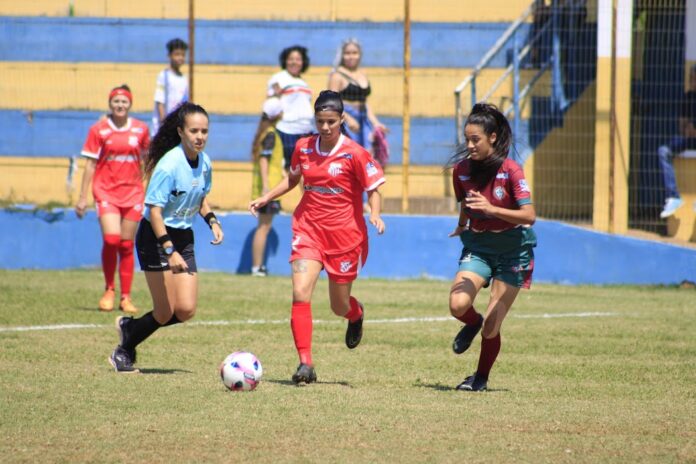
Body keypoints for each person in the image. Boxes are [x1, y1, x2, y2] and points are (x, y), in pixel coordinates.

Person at [249, 90, 386, 384]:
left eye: (331, 122)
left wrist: (374, 213)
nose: (325, 128)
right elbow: (293, 177)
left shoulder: (355, 154)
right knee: (300, 292)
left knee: (339, 305)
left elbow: (374, 188)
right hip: (308, 229)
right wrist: (266, 196)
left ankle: (355, 314)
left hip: (345, 236)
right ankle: (305, 364)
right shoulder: (304, 147)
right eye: (320, 121)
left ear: (341, 120)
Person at [108, 102, 224, 373]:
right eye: (194, 130)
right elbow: (155, 213)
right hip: (155, 237)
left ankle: (130, 327)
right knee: (163, 311)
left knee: (185, 310)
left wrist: (212, 221)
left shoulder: (205, 163)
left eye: (204, 131)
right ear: (181, 131)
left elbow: (200, 197)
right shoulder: (168, 165)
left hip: (183, 236)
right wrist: (169, 249)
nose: (200, 136)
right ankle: (123, 350)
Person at [447, 102, 537, 392]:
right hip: (480, 245)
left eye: (476, 140)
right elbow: (465, 202)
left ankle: (480, 378)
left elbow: (529, 216)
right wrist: (462, 224)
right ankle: (471, 323)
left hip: (513, 250)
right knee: (458, 305)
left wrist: (492, 209)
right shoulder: (460, 170)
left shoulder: (511, 170)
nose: (470, 145)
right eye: (467, 140)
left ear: (493, 138)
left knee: (493, 326)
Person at [76, 85, 150, 314]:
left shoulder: (141, 129)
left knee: (127, 244)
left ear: (130, 104)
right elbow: (89, 164)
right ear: (110, 104)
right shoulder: (98, 130)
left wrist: (149, 189)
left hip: (133, 192)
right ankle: (109, 290)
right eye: (116, 101)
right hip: (106, 191)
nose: (120, 105)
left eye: (124, 101)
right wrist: (82, 196)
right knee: (111, 240)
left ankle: (125, 297)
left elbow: (148, 161)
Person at [327, 38, 388, 164]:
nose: (351, 56)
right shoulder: (337, 75)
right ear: (342, 55)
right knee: (348, 157)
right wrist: (348, 119)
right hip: (345, 118)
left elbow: (364, 102)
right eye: (347, 53)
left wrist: (376, 122)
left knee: (367, 157)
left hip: (363, 118)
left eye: (354, 53)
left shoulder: (363, 74)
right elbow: (332, 102)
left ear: (360, 55)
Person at [250, 97, 285, 277]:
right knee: (264, 228)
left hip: (268, 188)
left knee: (263, 227)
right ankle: (257, 267)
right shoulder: (271, 134)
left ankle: (258, 267)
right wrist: (266, 188)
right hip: (269, 190)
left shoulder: (264, 133)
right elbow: (265, 159)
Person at [657, 64, 696, 218]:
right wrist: (687, 129)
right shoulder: (687, 97)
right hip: (688, 139)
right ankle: (673, 197)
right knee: (663, 151)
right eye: (691, 79)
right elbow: (682, 125)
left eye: (695, 79)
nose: (693, 82)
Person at [267, 45, 314, 169]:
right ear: (285, 61)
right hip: (287, 130)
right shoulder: (279, 78)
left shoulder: (304, 83)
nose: (294, 62)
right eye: (290, 59)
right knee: (291, 169)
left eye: (298, 59)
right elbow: (272, 101)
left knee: (308, 169)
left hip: (306, 130)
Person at [152, 38, 189, 134]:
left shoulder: (184, 78)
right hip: (165, 127)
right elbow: (160, 101)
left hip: (178, 126)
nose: (180, 58)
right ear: (169, 55)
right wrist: (164, 123)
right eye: (177, 54)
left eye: (183, 55)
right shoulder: (164, 76)